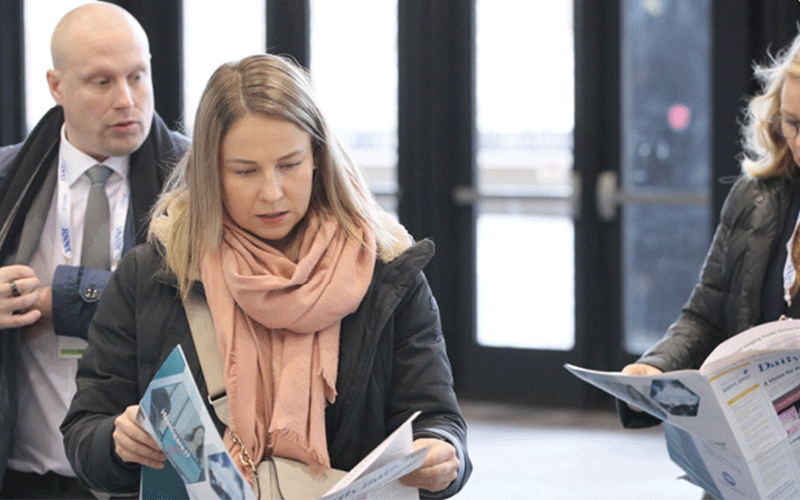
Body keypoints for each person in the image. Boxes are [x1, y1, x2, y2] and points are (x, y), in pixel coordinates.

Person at [61, 54, 472, 498]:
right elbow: (85, 434)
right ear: (211, 173)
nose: (272, 192)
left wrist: (442, 453)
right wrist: (118, 442)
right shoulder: (153, 275)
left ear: (317, 157)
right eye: (245, 171)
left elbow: (436, 419)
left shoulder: (387, 272)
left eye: (290, 164)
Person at [0, 3, 188, 498]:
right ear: (56, 86)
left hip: (151, 473)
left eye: (137, 76)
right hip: (25, 475)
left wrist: (52, 300)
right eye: (102, 82)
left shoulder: (199, 182)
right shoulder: (7, 181)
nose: (127, 100)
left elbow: (183, 297)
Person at [618, 30, 800, 497]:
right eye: (793, 124)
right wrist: (656, 369)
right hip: (748, 467)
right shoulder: (756, 196)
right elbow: (706, 313)